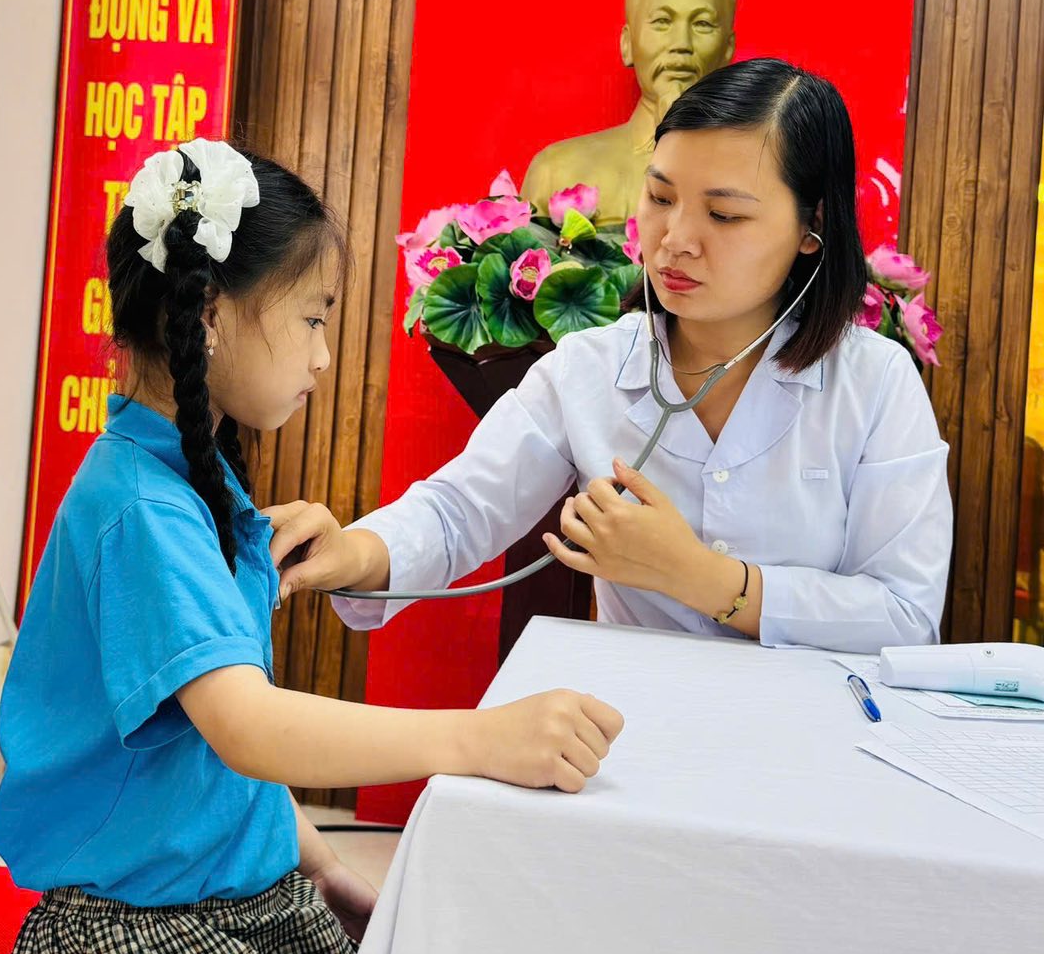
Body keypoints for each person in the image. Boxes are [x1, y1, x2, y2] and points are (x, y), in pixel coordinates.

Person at [0, 139, 622, 954]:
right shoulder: (139, 506)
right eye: (316, 318)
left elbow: (202, 753)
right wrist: (479, 738)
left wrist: (317, 859)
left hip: (240, 911)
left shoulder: (199, 480)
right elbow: (246, 722)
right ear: (212, 316)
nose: (328, 356)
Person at [278, 61, 952, 655]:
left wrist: (701, 577)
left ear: (813, 226)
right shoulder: (589, 369)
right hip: (631, 722)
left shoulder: (875, 383)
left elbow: (904, 616)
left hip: (816, 731)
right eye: (660, 198)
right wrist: (352, 552)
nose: (676, 239)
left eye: (724, 215)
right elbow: (458, 512)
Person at [521, 0, 737, 222]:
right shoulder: (558, 172)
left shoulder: (766, 175)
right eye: (662, 21)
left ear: (728, 49)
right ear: (627, 44)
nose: (681, 43)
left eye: (702, 24)